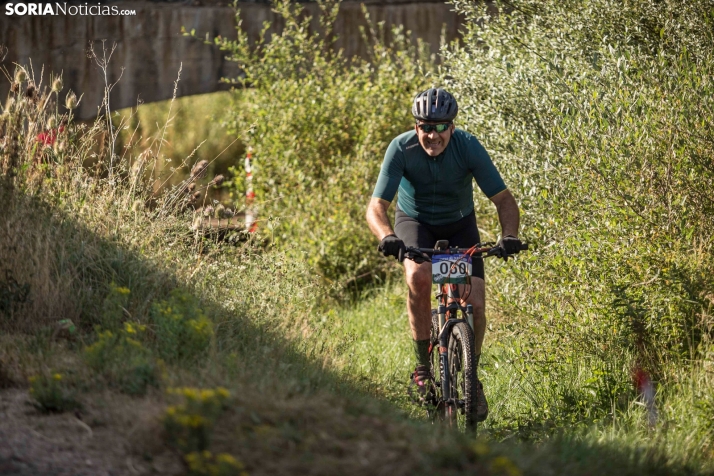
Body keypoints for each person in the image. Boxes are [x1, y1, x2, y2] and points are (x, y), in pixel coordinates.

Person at [365, 87, 523, 422]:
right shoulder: (401, 148)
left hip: (460, 226)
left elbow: (504, 200)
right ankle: (423, 366)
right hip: (415, 223)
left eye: (440, 127)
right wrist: (388, 236)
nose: (432, 135)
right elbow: (376, 207)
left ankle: (471, 377)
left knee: (476, 305)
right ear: (416, 126)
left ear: (452, 126)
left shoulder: (468, 147)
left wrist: (509, 236)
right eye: (425, 126)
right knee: (418, 277)